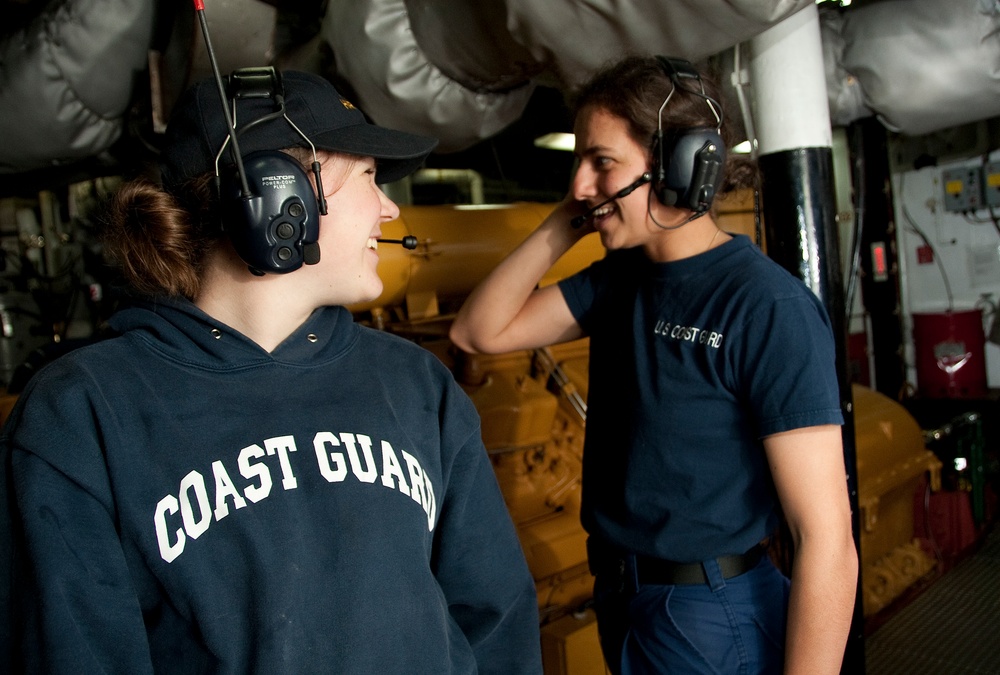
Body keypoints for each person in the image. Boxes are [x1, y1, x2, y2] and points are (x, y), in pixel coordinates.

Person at [0, 68, 543, 674]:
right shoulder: (81, 415)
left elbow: (496, 620)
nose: (390, 209)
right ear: (280, 195)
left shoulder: (416, 384)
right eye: (367, 176)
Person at [449, 55, 858, 674]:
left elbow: (827, 541)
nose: (581, 182)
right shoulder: (620, 280)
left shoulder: (764, 306)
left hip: (708, 610)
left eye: (602, 162)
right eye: (579, 161)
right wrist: (571, 217)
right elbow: (477, 331)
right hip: (626, 594)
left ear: (679, 168)